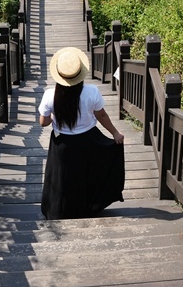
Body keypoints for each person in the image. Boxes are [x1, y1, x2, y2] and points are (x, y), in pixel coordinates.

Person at [38, 46, 125, 219]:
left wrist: (54, 115)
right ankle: (87, 207)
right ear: (80, 74)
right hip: (88, 140)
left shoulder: (50, 95)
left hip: (61, 143)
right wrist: (115, 133)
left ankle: (59, 210)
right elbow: (101, 115)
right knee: (86, 174)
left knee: (61, 178)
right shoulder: (92, 92)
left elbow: (43, 122)